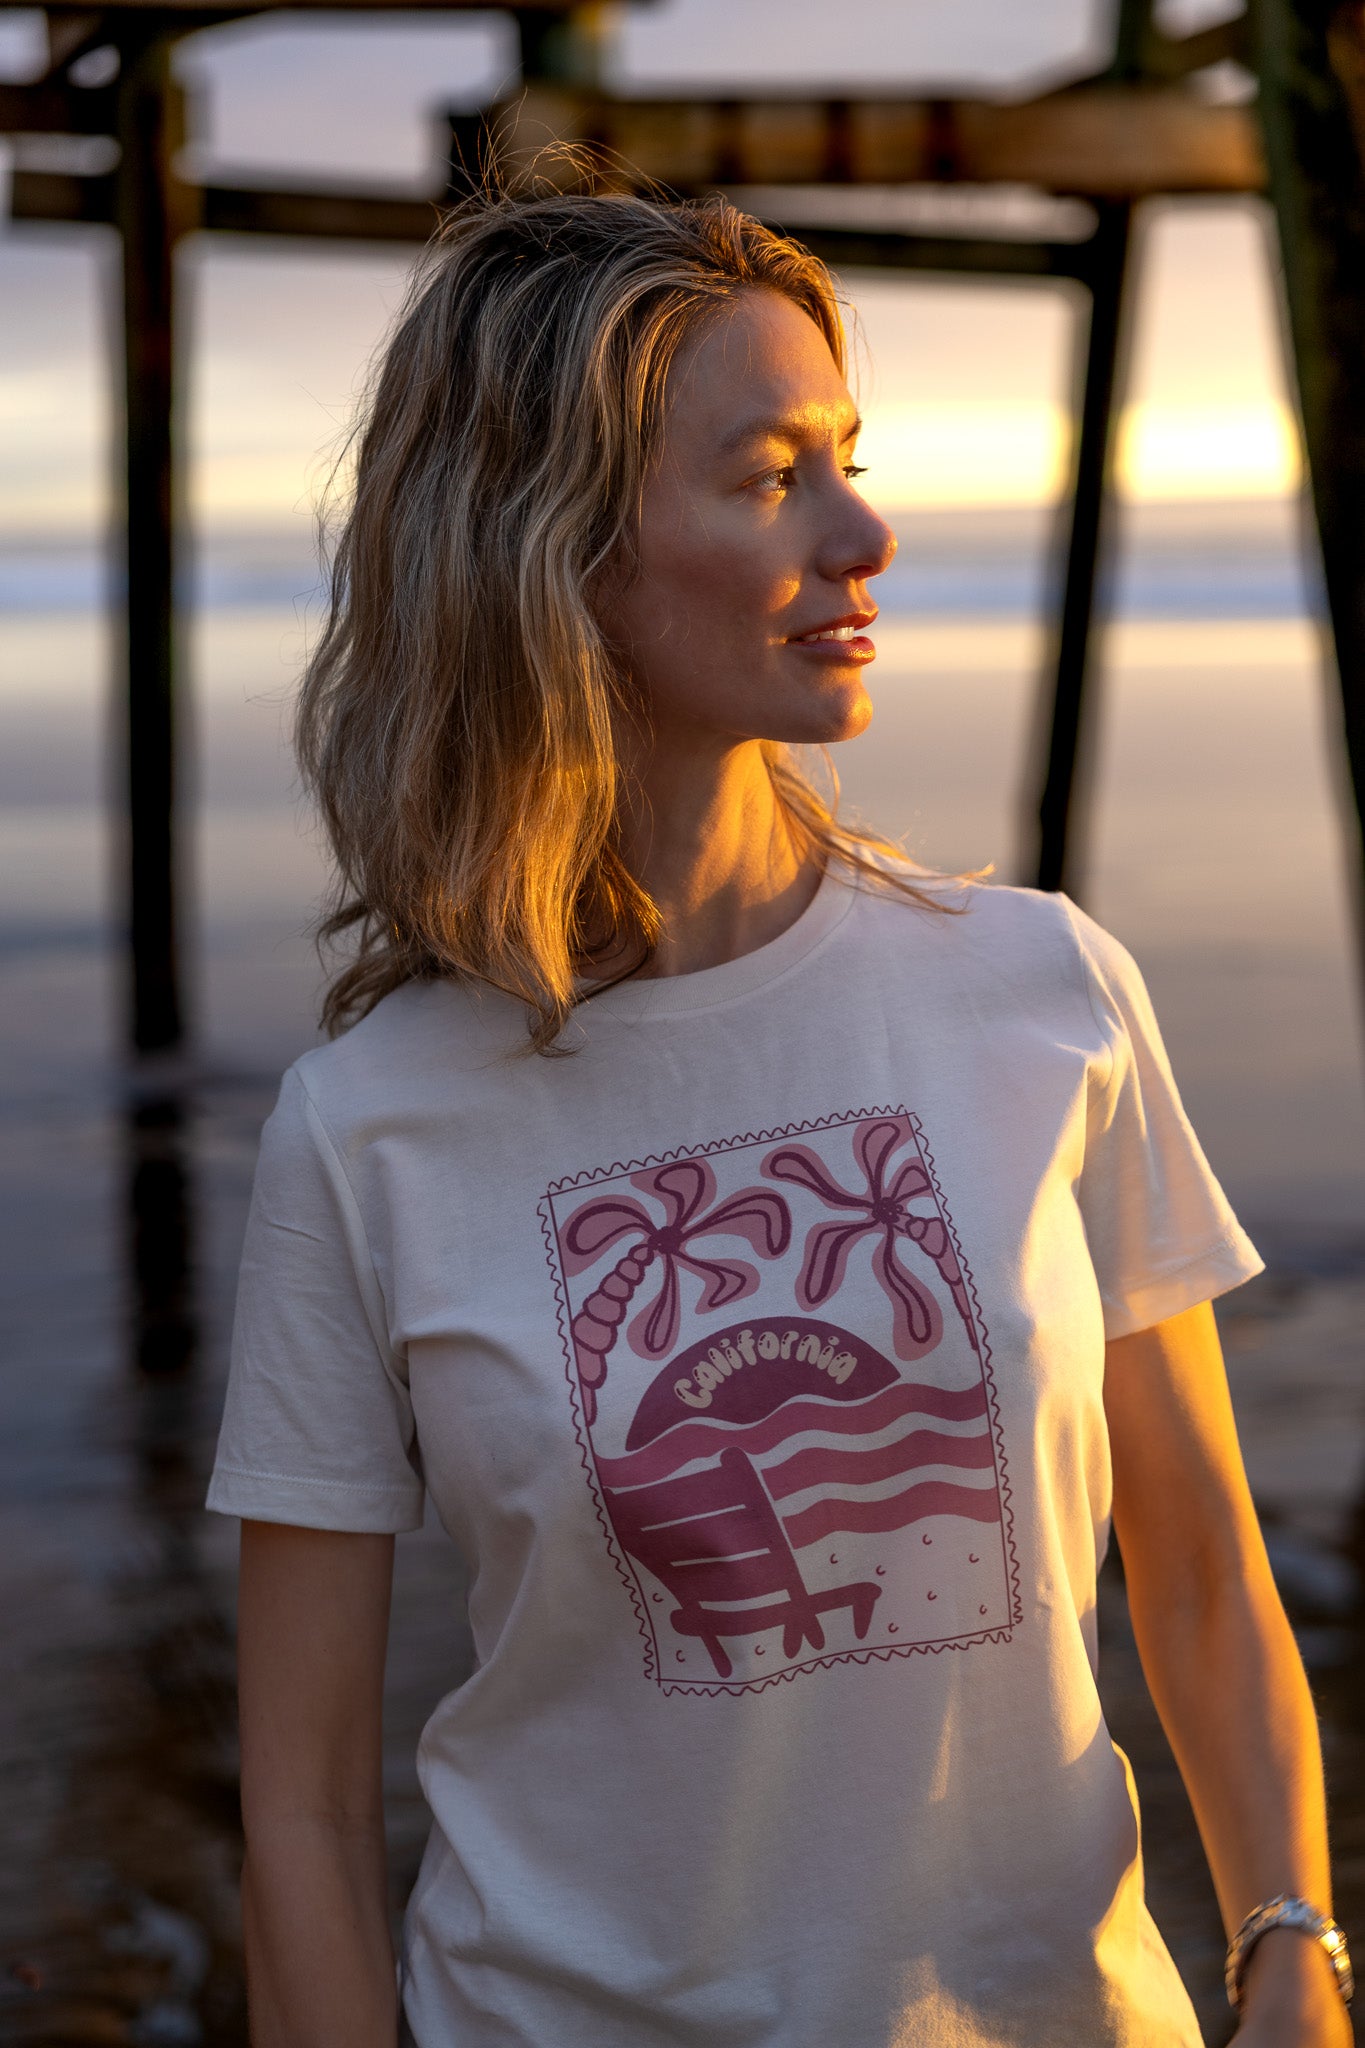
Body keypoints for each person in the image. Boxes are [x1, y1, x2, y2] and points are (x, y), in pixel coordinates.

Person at [206, 184, 1353, 2048]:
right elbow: (307, 1822)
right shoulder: (369, 1129)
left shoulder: (1039, 989)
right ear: (555, 550)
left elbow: (1206, 1569)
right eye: (768, 479)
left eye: (848, 458)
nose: (864, 532)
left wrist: (1288, 1945)